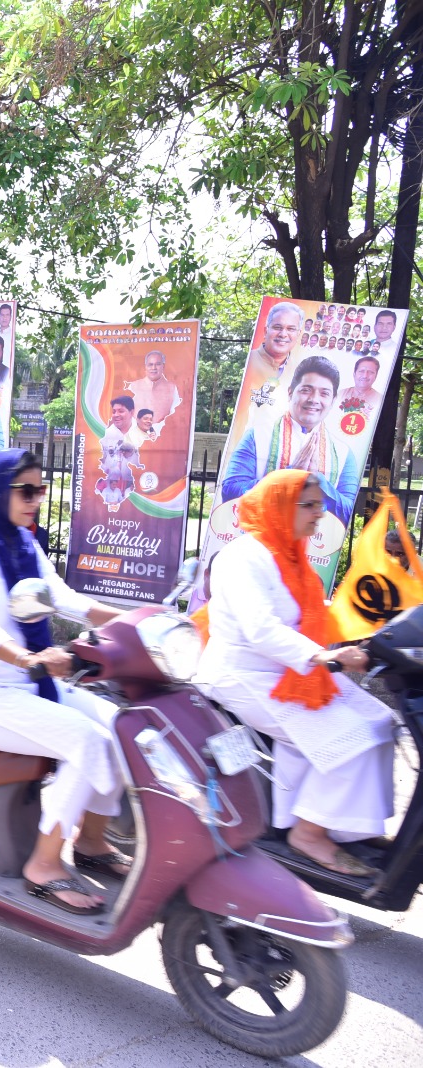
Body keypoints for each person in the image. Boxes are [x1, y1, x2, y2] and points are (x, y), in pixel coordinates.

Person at [0, 449, 130, 913]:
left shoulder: (22, 542)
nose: (36, 499)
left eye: (40, 489)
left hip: (29, 680)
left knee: (122, 729)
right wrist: (31, 661)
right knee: (84, 740)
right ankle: (43, 864)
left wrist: (145, 621)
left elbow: (65, 599)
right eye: (26, 490)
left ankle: (92, 843)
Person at [196, 470, 393, 877]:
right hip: (244, 675)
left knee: (381, 721)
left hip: (288, 671)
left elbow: (314, 611)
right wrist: (325, 659)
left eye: (320, 504)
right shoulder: (243, 557)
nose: (319, 513)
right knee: (349, 738)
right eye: (309, 504)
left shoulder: (290, 553)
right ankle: (309, 831)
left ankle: (343, 823)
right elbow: (262, 629)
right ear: (279, 506)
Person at [220, 355, 358, 524]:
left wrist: (318, 481)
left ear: (333, 401)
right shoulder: (257, 436)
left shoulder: (343, 453)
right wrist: (288, 478)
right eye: (306, 390)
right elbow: (230, 491)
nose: (314, 399)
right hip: (260, 540)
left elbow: (348, 510)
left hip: (315, 547)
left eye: (324, 393)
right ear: (290, 392)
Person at [243, 301, 305, 407]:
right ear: (266, 331)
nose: (283, 334)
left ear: (298, 334)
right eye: (277, 327)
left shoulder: (302, 371)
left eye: (291, 329)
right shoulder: (248, 361)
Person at [125, 349, 184, 429]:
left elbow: (175, 414)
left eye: (158, 364)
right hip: (136, 435)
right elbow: (127, 414)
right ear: (145, 367)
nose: (154, 368)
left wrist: (157, 430)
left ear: (163, 366)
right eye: (150, 364)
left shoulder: (172, 388)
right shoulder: (132, 386)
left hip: (164, 433)